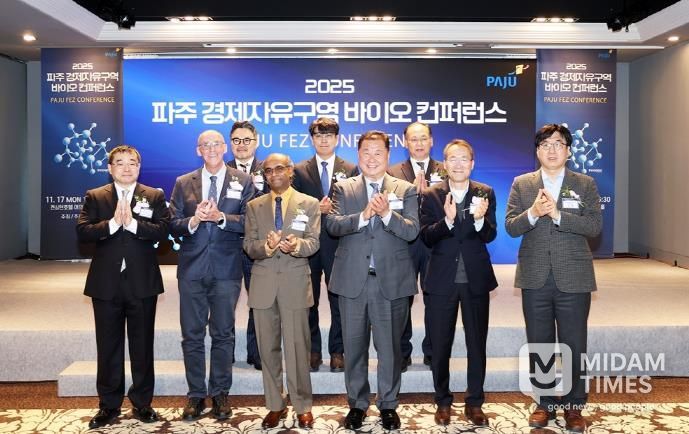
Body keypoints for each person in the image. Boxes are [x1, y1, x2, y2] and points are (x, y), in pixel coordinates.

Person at [505, 124, 602, 433]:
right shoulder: (522, 184)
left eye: (558, 144)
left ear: (568, 151)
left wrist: (559, 215)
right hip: (535, 276)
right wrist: (533, 213)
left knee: (574, 343)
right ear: (537, 151)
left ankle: (574, 405)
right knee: (540, 342)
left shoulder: (585, 184)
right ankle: (545, 402)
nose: (551, 150)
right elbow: (511, 226)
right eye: (545, 144)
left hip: (574, 275)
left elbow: (594, 226)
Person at [326, 130, 419, 431]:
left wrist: (388, 214)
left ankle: (388, 405)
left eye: (378, 152)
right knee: (354, 348)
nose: (372, 158)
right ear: (358, 154)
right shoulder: (343, 188)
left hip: (390, 281)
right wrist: (363, 216)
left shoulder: (405, 189)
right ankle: (357, 404)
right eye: (366, 151)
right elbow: (332, 225)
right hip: (353, 280)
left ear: (388, 155)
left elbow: (412, 231)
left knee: (390, 348)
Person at [76, 145, 170, 429]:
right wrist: (114, 224)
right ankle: (108, 405)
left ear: (139, 167)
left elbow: (163, 230)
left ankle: (142, 403)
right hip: (106, 283)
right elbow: (83, 231)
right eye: (120, 163)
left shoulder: (153, 195)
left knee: (142, 346)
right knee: (108, 347)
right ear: (110, 168)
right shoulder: (95, 196)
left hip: (142, 283)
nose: (127, 168)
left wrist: (133, 225)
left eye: (132, 163)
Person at [169, 129, 256, 421]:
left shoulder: (243, 181)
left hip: (226, 269)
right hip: (192, 269)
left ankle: (220, 393)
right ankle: (195, 395)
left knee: (223, 333)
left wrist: (220, 218)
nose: (211, 149)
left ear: (224, 147)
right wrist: (194, 220)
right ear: (198, 150)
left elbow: (250, 221)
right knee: (192, 335)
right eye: (205, 145)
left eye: (216, 144)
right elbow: (172, 223)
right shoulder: (183, 182)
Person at [419, 139, 498, 426]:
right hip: (442, 279)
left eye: (464, 158)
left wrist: (479, 220)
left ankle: (474, 402)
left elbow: (490, 234)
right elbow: (426, 236)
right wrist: (448, 222)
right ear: (444, 164)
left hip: (475, 277)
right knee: (440, 344)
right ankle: (442, 401)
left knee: (477, 343)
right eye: (452, 158)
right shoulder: (431, 194)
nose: (458, 163)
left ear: (472, 163)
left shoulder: (485, 192)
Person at [244, 153, 321, 430]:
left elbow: (313, 243)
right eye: (268, 170)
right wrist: (266, 247)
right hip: (263, 284)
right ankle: (275, 405)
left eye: (279, 168)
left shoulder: (309, 203)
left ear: (290, 171)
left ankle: (302, 406)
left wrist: (295, 246)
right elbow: (248, 245)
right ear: (264, 176)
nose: (274, 173)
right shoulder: (254, 206)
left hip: (295, 283)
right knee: (268, 349)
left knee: (298, 348)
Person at [292, 117, 358, 372]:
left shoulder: (350, 169)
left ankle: (337, 351)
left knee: (338, 298)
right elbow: (293, 206)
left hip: (339, 243)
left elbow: (355, 205)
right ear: (312, 139)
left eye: (328, 135)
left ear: (337, 139)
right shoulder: (299, 170)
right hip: (308, 241)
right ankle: (313, 350)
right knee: (309, 299)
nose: (323, 140)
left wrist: (334, 211)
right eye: (319, 136)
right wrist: (314, 211)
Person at [387, 121, 444, 371]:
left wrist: (429, 195)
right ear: (405, 142)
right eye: (413, 139)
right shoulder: (392, 172)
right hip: (403, 243)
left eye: (423, 138)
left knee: (436, 298)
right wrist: (413, 194)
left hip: (435, 242)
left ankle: (433, 350)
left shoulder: (447, 169)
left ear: (431, 141)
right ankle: (402, 351)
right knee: (402, 299)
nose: (419, 143)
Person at [227, 120, 268, 371]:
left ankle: (257, 352)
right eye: (236, 140)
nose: (241, 145)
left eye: (246, 140)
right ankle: (225, 352)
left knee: (259, 301)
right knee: (225, 302)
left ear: (256, 142)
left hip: (258, 246)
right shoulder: (220, 169)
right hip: (228, 245)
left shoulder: (269, 169)